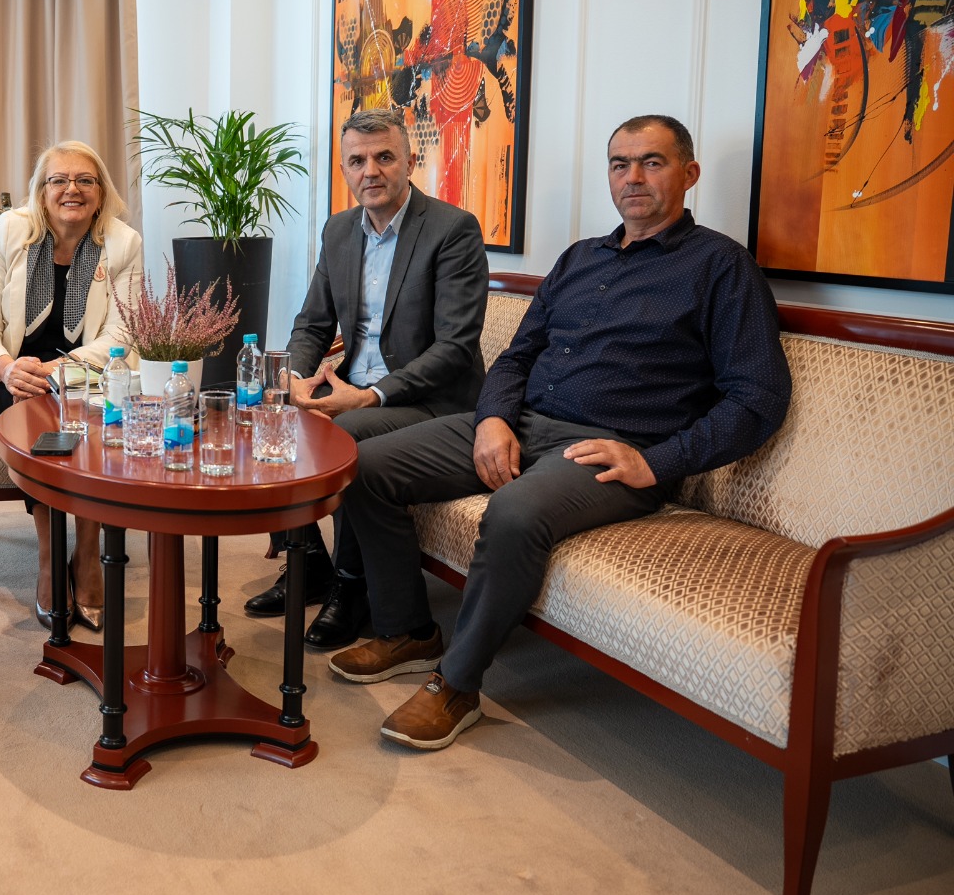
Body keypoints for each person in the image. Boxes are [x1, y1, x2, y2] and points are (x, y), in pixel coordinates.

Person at [331, 114, 793, 750]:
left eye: (652, 163)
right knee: (360, 466)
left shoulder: (721, 267)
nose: (633, 178)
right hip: (522, 423)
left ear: (688, 173)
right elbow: (517, 355)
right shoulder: (580, 258)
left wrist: (658, 463)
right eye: (620, 164)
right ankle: (407, 629)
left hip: (611, 450)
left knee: (515, 512)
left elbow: (759, 398)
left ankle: (457, 684)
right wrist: (494, 418)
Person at [244, 108, 489, 651]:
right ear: (344, 169)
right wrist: (295, 378)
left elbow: (454, 348)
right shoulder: (338, 231)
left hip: (433, 402)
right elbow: (312, 324)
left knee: (341, 435)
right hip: (352, 386)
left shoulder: (452, 230)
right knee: (266, 412)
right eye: (357, 161)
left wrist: (370, 395)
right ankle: (310, 561)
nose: (370, 171)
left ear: (410, 161)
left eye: (384, 157)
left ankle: (351, 587)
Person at [0, 140, 143, 630]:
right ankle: (49, 556)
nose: (71, 190)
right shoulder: (11, 230)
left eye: (85, 180)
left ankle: (86, 552)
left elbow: (121, 334)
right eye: (58, 180)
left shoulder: (123, 243)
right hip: (13, 374)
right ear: (41, 192)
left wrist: (61, 371)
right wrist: (6, 367)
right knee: (37, 417)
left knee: (96, 416)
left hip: (85, 371)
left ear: (101, 192)